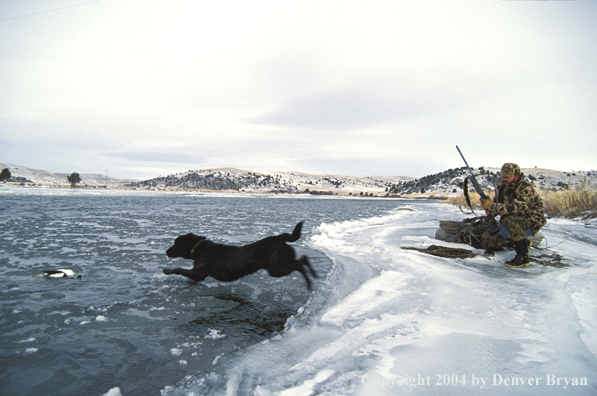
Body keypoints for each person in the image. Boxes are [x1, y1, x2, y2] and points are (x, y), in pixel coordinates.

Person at [480, 163, 546, 268]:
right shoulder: (501, 187)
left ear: (517, 176)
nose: (504, 178)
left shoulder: (525, 188)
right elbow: (498, 206)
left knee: (508, 219)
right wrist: (489, 209)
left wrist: (492, 206)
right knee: (488, 240)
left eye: (507, 176)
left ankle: (523, 256)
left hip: (531, 221)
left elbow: (516, 208)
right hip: (513, 221)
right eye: (502, 175)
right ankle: (523, 242)